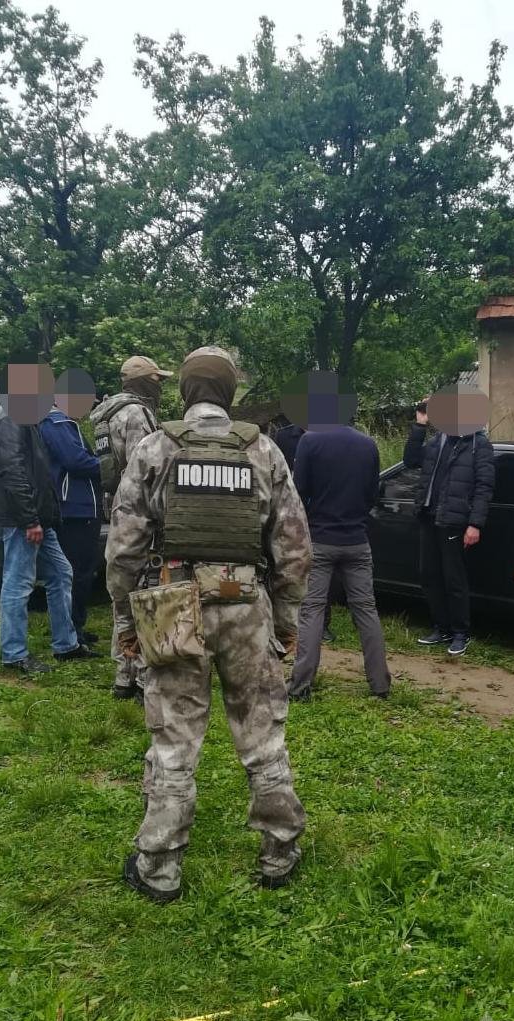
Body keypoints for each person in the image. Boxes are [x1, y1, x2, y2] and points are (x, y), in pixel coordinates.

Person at [106, 346, 312, 901]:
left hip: (172, 608)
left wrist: (126, 620)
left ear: (185, 390)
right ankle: (279, 853)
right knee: (262, 733)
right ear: (228, 391)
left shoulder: (155, 448)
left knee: (174, 738)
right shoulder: (263, 450)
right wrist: (285, 622)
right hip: (247, 608)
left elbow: (123, 549)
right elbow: (294, 550)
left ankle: (160, 868)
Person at [0, 383, 97, 674]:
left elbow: (38, 472)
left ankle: (66, 645)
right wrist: (29, 520)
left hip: (39, 517)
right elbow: (12, 471)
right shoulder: (10, 416)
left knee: (61, 573)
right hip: (22, 519)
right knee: (18, 582)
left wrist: (43, 517)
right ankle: (14, 654)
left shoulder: (27, 418)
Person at [287, 393, 391, 701]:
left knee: (312, 611)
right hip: (357, 541)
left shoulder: (310, 441)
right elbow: (372, 493)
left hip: (320, 539)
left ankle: (300, 686)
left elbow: (298, 491)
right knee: (366, 610)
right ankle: (380, 684)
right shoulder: (368, 444)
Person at [90, 355, 173, 701]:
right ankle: (142, 676)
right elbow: (147, 468)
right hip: (140, 514)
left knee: (122, 593)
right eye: (157, 380)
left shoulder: (106, 413)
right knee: (146, 591)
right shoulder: (136, 414)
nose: (160, 386)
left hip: (116, 509)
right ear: (143, 382)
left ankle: (123, 674)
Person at [403, 386, 495, 656]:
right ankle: (441, 628)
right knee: (429, 575)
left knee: (454, 579)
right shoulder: (437, 440)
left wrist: (475, 524)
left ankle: (460, 633)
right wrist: (420, 424)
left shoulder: (478, 444)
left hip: (455, 520)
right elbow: (410, 460)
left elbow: (484, 487)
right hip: (429, 516)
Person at [40, 400, 103, 647]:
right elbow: (75, 461)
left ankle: (75, 626)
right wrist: (111, 466)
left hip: (80, 507)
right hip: (74, 509)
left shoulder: (64, 423)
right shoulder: (57, 422)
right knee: (76, 572)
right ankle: (71, 631)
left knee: (81, 571)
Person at [273, 418, 337, 643]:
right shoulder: (284, 436)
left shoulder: (330, 436)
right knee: (287, 564)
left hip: (319, 513)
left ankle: (322, 624)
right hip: (287, 512)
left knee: (319, 570)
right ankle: (284, 621)